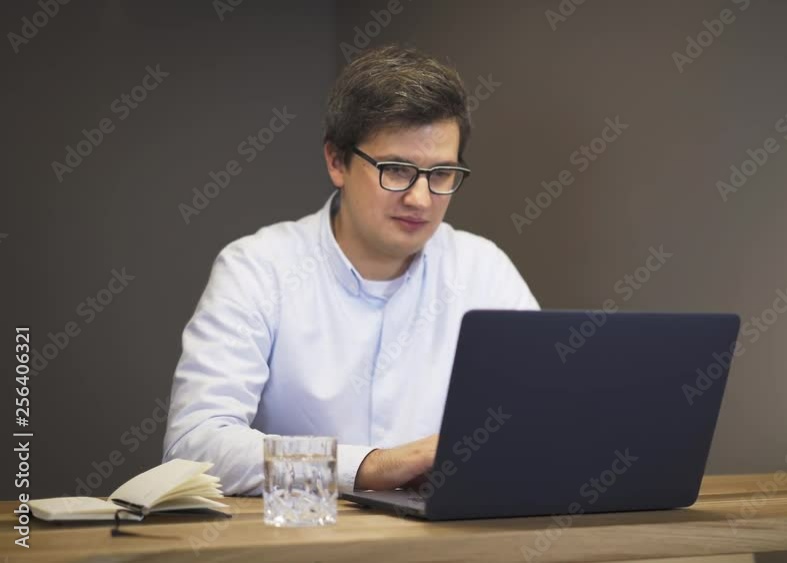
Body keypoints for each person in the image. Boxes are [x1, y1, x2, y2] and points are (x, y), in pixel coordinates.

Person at [162, 45, 538, 495]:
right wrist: (367, 467)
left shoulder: (484, 270)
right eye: (396, 170)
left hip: (443, 531)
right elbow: (194, 446)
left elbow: (543, 420)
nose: (420, 199)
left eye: (441, 173)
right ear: (336, 161)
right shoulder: (258, 268)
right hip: (302, 532)